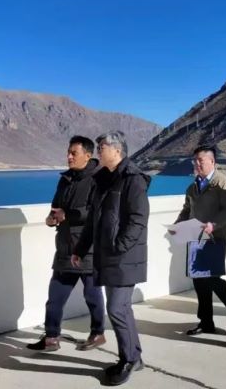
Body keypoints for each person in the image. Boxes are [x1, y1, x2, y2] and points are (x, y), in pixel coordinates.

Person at [73, 131, 150, 386]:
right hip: (108, 255)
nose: (98, 151)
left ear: (117, 150)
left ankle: (128, 359)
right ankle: (134, 357)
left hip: (124, 256)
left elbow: (138, 218)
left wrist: (120, 246)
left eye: (102, 147)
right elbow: (93, 221)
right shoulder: (103, 180)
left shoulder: (133, 179)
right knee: (122, 309)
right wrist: (81, 249)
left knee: (116, 308)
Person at [27, 136, 105, 352]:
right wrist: (51, 218)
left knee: (92, 296)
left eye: (74, 153)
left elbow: (96, 212)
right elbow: (56, 206)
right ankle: (51, 338)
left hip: (88, 248)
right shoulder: (65, 179)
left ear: (88, 156)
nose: (69, 157)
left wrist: (67, 215)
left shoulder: (98, 179)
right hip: (64, 247)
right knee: (55, 298)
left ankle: (98, 333)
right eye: (68, 152)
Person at [174, 146, 226, 335]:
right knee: (199, 279)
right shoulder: (193, 186)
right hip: (195, 236)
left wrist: (214, 224)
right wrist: (177, 225)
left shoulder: (222, 183)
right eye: (195, 160)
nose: (197, 164)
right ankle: (206, 322)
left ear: (212, 162)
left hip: (216, 237)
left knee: (211, 276)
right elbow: (187, 209)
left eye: (201, 160)